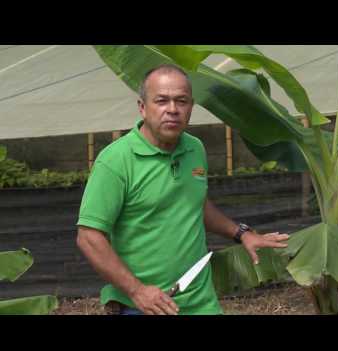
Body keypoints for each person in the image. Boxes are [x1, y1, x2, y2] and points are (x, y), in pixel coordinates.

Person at [76, 64, 290, 315]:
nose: (172, 110)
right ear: (143, 108)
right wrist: (137, 290)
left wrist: (241, 233)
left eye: (181, 101)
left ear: (191, 107)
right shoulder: (115, 161)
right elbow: (89, 237)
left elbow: (194, 202)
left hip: (200, 301)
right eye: (161, 101)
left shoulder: (195, 148)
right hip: (143, 305)